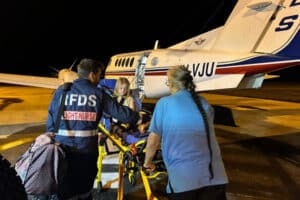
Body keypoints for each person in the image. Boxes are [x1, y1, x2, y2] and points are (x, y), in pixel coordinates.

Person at [44, 58, 142, 200]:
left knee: (63, 192)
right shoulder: (97, 94)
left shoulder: (61, 92)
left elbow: (50, 125)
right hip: (86, 154)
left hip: (62, 152)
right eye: (99, 75)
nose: (99, 79)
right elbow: (121, 113)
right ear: (92, 75)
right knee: (84, 192)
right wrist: (137, 117)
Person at [143, 65, 228, 200]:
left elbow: (153, 140)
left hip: (185, 180)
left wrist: (147, 163)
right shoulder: (203, 102)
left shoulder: (164, 103)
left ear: (171, 84)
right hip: (216, 177)